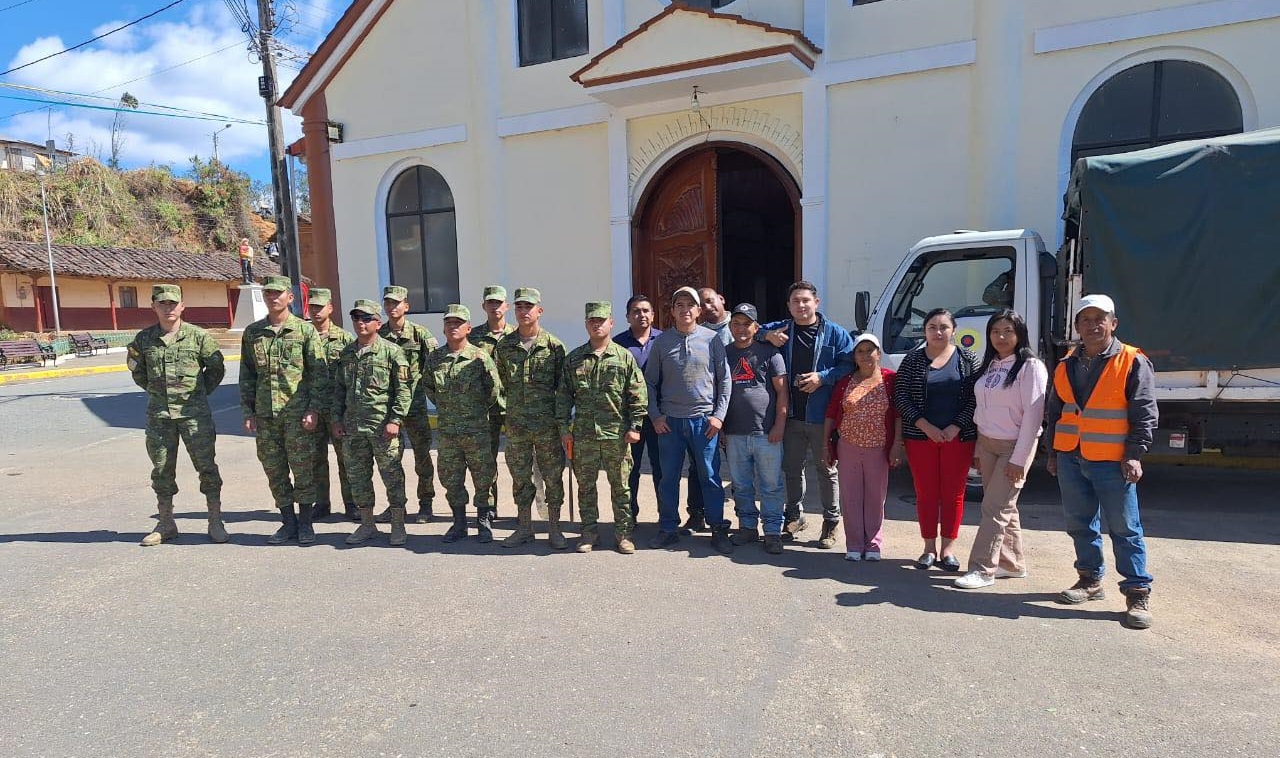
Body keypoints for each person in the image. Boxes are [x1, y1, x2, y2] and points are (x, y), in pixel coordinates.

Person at [1046, 294, 1157, 629]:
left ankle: (1137, 591)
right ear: (1077, 326)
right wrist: (1053, 453)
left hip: (1113, 460)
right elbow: (1056, 411)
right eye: (1086, 320)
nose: (1092, 325)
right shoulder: (1066, 363)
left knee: (1125, 528)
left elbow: (1144, 412)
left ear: (1113, 323)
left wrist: (1134, 454)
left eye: (1100, 319)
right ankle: (1090, 579)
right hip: (1071, 455)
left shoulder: (1132, 360)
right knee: (1080, 524)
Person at [127, 284, 227, 546]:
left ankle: (215, 521)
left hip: (195, 416)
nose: (168, 308)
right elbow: (138, 373)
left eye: (173, 303)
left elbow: (216, 369)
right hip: (159, 416)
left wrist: (198, 394)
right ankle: (166, 523)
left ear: (182, 306)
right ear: (153, 306)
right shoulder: (143, 340)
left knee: (206, 467)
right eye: (162, 303)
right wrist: (158, 392)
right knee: (161, 470)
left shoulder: (199, 337)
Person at [954, 309, 1047, 589]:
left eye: (1008, 331)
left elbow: (1033, 418)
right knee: (1006, 507)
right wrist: (978, 449)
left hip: (1014, 447)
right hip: (987, 443)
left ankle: (982, 569)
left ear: (1020, 334)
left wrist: (1019, 458)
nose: (1001, 337)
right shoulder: (991, 364)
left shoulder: (1030, 367)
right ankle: (1012, 563)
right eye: (996, 331)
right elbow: (982, 409)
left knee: (993, 507)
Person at [760, 280, 854, 549]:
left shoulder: (835, 333)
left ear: (816, 302)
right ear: (788, 306)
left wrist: (822, 377)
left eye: (805, 300)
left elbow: (849, 364)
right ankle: (794, 516)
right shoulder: (782, 329)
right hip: (791, 414)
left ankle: (831, 522)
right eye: (795, 301)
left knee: (826, 469)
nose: (801, 305)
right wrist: (767, 336)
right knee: (791, 469)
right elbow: (751, 330)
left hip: (822, 415)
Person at [239, 276, 328, 545]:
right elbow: (247, 375)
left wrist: (313, 409)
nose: (273, 298)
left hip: (297, 416)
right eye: (268, 293)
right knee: (274, 471)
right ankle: (288, 522)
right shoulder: (253, 332)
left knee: (303, 471)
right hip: (266, 417)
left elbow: (318, 374)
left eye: (278, 293)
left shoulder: (304, 331)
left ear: (290, 297)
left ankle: (306, 523)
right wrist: (248, 411)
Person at [645, 286, 733, 553]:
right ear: (672, 311)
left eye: (690, 305)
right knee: (668, 478)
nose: (685, 310)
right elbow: (649, 383)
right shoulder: (662, 342)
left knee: (710, 476)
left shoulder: (711, 340)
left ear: (698, 311)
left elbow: (725, 380)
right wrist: (655, 416)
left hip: (704, 422)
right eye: (679, 305)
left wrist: (718, 417)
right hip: (670, 423)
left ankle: (717, 528)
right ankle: (668, 528)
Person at [892, 308, 980, 571]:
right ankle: (929, 548)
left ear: (954, 330)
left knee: (954, 493)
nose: (938, 332)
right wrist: (924, 425)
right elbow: (900, 396)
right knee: (926, 493)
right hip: (921, 437)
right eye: (932, 327)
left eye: (943, 327)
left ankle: (948, 549)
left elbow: (977, 398)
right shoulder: (912, 360)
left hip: (958, 438)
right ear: (925, 331)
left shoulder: (968, 359)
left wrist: (956, 426)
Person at [558, 301, 648, 554]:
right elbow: (563, 396)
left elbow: (637, 394)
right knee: (586, 488)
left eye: (601, 320)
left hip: (616, 435)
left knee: (621, 488)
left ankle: (623, 535)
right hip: (584, 435)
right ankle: (589, 533)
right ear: (586, 324)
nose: (596, 324)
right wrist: (564, 428)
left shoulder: (623, 357)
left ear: (611, 323)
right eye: (592, 320)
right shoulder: (574, 358)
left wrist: (635, 426)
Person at [331, 299, 412, 546]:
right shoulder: (347, 354)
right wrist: (336, 419)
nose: (360, 323)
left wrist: (395, 420)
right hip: (353, 429)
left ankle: (397, 525)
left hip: (382, 429)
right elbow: (339, 390)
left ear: (378, 323)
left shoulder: (392, 352)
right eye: (356, 318)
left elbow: (403, 390)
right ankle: (367, 524)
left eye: (366, 318)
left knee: (392, 477)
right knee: (358, 478)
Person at [495, 287, 570, 549]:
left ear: (540, 311)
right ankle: (524, 528)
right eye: (519, 307)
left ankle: (555, 529)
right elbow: (501, 383)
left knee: (553, 477)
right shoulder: (505, 346)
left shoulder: (554, 347)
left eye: (529, 307)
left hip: (547, 426)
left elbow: (563, 389)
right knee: (520, 477)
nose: (523, 311)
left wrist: (563, 424)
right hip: (517, 426)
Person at [422, 304, 504, 543]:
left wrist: (474, 412)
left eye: (458, 323)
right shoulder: (435, 359)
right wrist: (450, 409)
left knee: (483, 477)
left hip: (476, 430)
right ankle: (459, 523)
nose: (453, 327)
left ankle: (483, 522)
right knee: (451, 478)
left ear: (468, 328)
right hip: (448, 431)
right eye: (449, 323)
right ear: (444, 328)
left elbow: (493, 390)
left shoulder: (480, 357)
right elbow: (430, 388)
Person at [824, 333, 902, 562]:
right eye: (860, 351)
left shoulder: (890, 380)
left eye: (870, 350)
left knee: (875, 498)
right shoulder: (845, 382)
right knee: (851, 497)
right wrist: (825, 444)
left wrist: (897, 444)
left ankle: (873, 544)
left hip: (877, 448)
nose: (865, 355)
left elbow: (898, 415)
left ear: (879, 354)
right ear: (854, 356)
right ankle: (855, 544)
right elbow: (831, 413)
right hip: (848, 447)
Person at [723, 303, 788, 555]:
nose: (741, 328)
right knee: (741, 485)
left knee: (771, 485)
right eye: (736, 324)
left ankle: (772, 532)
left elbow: (782, 392)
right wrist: (721, 429)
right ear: (730, 327)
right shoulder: (724, 353)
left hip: (766, 433)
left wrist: (779, 425)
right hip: (734, 432)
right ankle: (747, 527)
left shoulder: (770, 352)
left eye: (746, 324)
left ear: (756, 327)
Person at [377, 285, 439, 524]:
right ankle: (397, 506)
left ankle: (426, 504)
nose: (392, 307)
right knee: (391, 460)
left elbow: (434, 367)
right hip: (388, 408)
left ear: (406, 306)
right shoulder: (379, 334)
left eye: (396, 303)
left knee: (422, 457)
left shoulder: (420, 334)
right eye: (388, 303)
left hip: (415, 407)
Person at [307, 287, 356, 521]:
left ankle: (351, 503)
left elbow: (351, 377)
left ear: (330, 308)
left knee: (346, 459)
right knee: (316, 458)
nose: (316, 311)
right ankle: (321, 503)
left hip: (339, 409)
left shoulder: (345, 339)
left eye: (320, 307)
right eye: (312, 307)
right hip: (312, 408)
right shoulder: (303, 336)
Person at [614, 295, 663, 521]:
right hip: (628, 418)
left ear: (652, 315)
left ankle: (666, 517)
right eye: (635, 311)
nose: (641, 315)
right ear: (627, 316)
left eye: (645, 310)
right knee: (629, 470)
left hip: (659, 417)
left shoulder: (664, 340)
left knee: (662, 470)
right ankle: (629, 517)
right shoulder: (617, 344)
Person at [468, 284, 516, 512]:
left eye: (499, 303)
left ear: (506, 306)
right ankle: (488, 507)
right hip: (485, 408)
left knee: (518, 459)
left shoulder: (517, 336)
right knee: (486, 460)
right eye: (490, 303)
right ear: (483, 306)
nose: (495, 306)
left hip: (514, 406)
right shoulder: (474, 337)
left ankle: (522, 509)